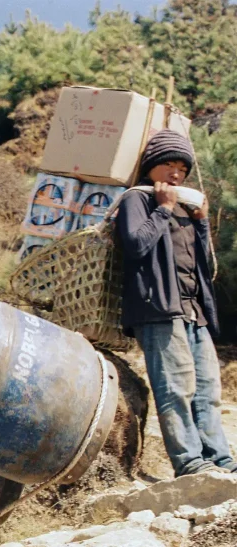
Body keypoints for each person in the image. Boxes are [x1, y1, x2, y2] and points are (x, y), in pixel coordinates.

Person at [117, 129, 236, 477]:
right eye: (168, 164)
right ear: (151, 167)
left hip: (192, 310)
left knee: (207, 390)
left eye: (182, 168)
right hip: (158, 309)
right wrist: (164, 209)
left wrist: (200, 223)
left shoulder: (184, 208)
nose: (176, 173)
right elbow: (136, 244)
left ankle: (220, 458)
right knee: (176, 388)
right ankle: (189, 462)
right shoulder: (136, 200)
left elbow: (206, 266)